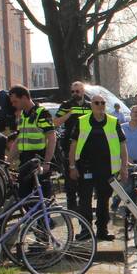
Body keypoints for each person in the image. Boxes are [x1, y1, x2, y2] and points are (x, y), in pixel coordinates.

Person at [67, 93, 128, 241]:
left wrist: (124, 167)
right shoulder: (82, 122)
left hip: (106, 168)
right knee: (85, 201)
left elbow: (122, 145)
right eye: (96, 103)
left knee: (103, 200)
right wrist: (72, 166)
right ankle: (86, 231)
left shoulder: (113, 122)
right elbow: (73, 145)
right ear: (91, 105)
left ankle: (102, 231)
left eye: (102, 103)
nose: (100, 106)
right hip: (85, 167)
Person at [8, 85, 57, 198]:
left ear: (25, 97)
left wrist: (47, 162)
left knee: (42, 198)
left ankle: (44, 216)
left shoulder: (41, 113)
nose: (13, 105)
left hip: (38, 159)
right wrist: (8, 162)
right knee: (23, 196)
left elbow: (52, 138)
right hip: (25, 160)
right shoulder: (22, 116)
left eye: (15, 101)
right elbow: (19, 140)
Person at [54, 82, 91, 217]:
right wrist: (68, 114)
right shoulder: (66, 105)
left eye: (78, 91)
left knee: (86, 177)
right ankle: (71, 207)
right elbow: (56, 122)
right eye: (73, 92)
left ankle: (84, 205)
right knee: (70, 178)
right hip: (69, 145)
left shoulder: (89, 105)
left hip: (86, 146)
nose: (75, 94)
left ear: (83, 91)